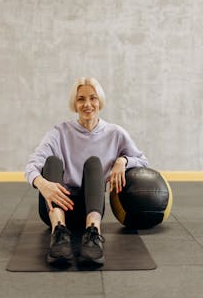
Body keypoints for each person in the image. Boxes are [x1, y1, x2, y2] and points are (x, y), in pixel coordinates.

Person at [25, 77, 148, 266]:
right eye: (81, 99)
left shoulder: (115, 133)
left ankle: (93, 233)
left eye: (93, 98)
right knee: (51, 161)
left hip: (90, 207)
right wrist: (42, 184)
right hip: (56, 207)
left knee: (94, 163)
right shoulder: (60, 132)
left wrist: (122, 160)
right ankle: (58, 233)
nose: (87, 104)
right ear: (75, 104)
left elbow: (142, 161)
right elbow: (31, 164)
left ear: (100, 101)